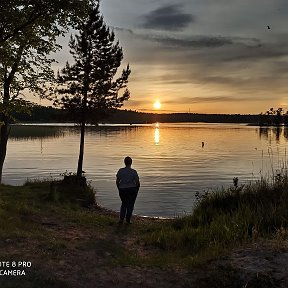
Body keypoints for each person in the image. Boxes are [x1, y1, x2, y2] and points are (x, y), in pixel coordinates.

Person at [116, 156, 140, 224]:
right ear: (131, 163)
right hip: (132, 189)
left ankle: (121, 219)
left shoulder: (120, 171)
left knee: (124, 204)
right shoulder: (134, 172)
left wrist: (119, 189)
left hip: (122, 189)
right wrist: (137, 190)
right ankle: (128, 220)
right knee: (130, 205)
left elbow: (117, 181)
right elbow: (137, 182)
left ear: (124, 162)